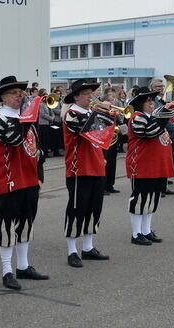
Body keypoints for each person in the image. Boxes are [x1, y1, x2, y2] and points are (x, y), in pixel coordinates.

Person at [0, 76, 48, 291]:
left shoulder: (26, 118)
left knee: (27, 221)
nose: (19, 96)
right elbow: (14, 139)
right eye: (14, 93)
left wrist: (39, 175)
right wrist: (28, 118)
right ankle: (7, 270)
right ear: (3, 97)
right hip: (9, 178)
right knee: (7, 224)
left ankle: (23, 265)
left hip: (29, 178)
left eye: (20, 92)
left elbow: (36, 150)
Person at [61, 79, 109, 267]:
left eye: (91, 93)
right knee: (76, 209)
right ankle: (72, 250)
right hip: (78, 168)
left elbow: (102, 137)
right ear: (77, 96)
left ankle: (88, 247)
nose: (92, 97)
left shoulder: (92, 113)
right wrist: (104, 112)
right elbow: (86, 129)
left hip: (96, 166)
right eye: (88, 94)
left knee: (94, 208)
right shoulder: (72, 114)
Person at [125, 87, 173, 245]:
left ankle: (146, 230)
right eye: (148, 101)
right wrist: (165, 116)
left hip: (155, 164)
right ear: (140, 104)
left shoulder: (152, 117)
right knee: (140, 198)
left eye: (153, 100)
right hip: (141, 164)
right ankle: (136, 233)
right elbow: (149, 132)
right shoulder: (137, 117)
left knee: (153, 198)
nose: (152, 103)